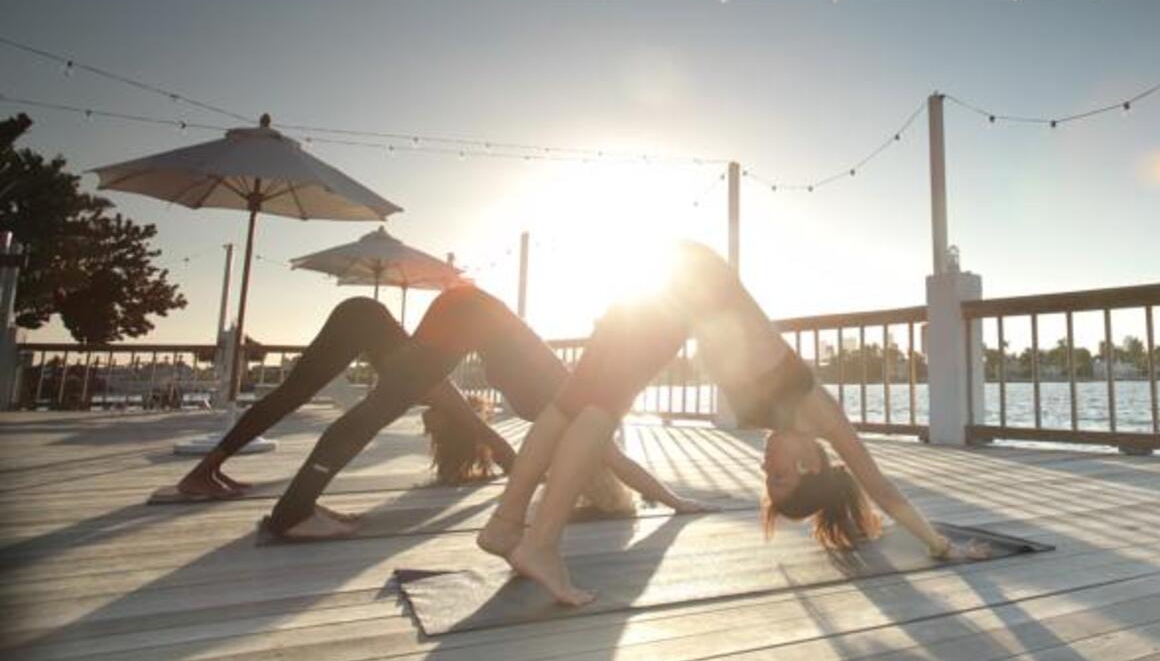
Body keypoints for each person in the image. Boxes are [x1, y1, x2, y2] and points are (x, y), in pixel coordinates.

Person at [479, 241, 985, 606]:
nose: (767, 468)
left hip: (675, 282)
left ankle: (506, 524)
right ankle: (541, 544)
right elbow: (880, 485)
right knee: (602, 407)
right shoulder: (819, 414)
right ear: (811, 462)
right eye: (779, 475)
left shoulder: (779, 424)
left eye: (768, 480)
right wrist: (940, 545)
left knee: (572, 401)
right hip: (687, 286)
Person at [177, 290, 711, 540]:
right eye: (589, 488)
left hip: (467, 312)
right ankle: (294, 513)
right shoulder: (587, 424)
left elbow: (610, 469)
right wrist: (677, 503)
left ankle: (295, 506)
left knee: (381, 403)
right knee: (380, 408)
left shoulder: (568, 417)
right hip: (468, 316)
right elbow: (624, 466)